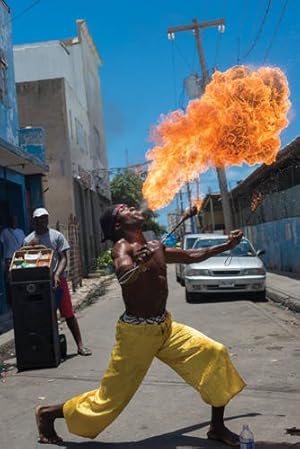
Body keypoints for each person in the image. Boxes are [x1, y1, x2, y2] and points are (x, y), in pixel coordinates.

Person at [35, 204, 246, 446]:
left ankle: (217, 427)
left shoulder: (155, 245)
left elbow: (190, 256)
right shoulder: (121, 248)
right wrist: (137, 265)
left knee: (213, 353)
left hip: (165, 327)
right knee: (108, 401)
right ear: (118, 225)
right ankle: (48, 414)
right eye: (124, 208)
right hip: (137, 335)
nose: (133, 207)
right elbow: (124, 275)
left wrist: (226, 246)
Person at [24, 207, 91, 357]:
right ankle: (48, 349)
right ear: (34, 221)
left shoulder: (56, 236)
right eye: (39, 219)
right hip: (39, 284)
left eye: (45, 218)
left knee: (68, 313)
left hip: (57, 281)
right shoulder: (28, 240)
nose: (42, 221)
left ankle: (80, 346)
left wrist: (57, 274)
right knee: (44, 316)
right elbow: (25, 261)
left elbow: (63, 258)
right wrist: (30, 247)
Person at [0, 216, 25, 305]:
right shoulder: (5, 232)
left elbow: (23, 245)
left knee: (19, 279)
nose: (14, 222)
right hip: (9, 259)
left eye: (15, 220)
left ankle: (18, 299)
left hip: (18, 258)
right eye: (12, 220)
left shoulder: (20, 232)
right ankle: (13, 301)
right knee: (10, 280)